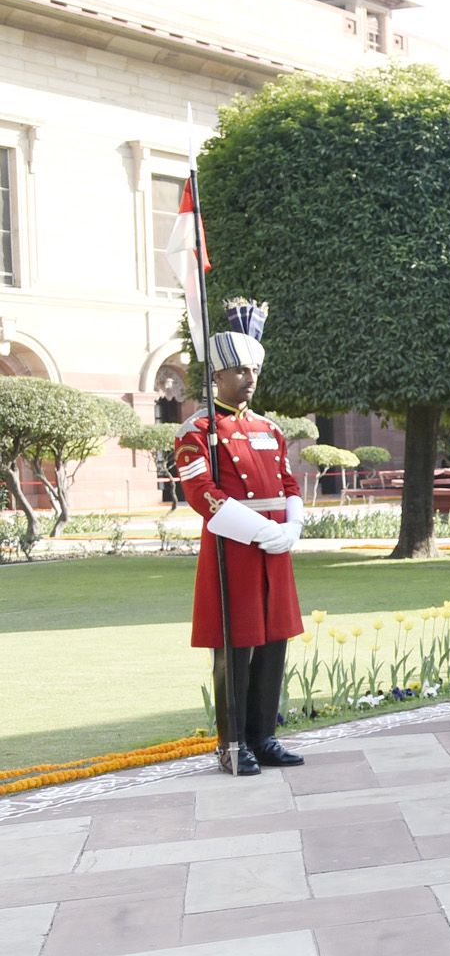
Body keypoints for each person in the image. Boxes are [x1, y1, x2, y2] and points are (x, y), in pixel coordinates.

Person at [175, 298, 306, 775]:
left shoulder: (269, 428)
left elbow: (288, 483)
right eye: (240, 370)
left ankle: (264, 737)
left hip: (274, 549)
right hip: (234, 549)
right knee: (235, 650)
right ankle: (233, 745)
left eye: (254, 370)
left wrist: (291, 527)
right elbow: (201, 493)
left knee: (274, 645)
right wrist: (260, 530)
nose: (250, 378)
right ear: (217, 376)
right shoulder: (199, 429)